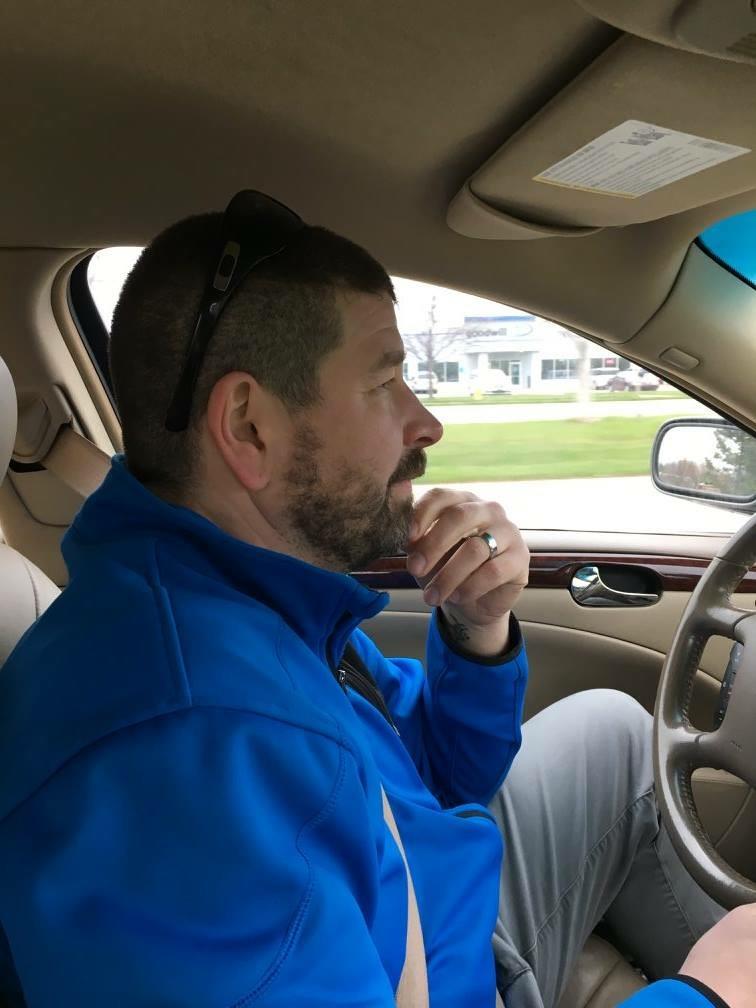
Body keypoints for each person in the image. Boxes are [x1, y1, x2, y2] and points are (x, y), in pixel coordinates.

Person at [0, 190, 751, 1008]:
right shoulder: (186, 763)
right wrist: (706, 997)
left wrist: (476, 629)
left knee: (613, 732)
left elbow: (439, 778)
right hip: (434, 970)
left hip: (426, 912)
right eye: (385, 382)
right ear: (249, 426)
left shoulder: (246, 594)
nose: (425, 424)